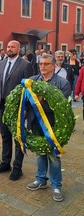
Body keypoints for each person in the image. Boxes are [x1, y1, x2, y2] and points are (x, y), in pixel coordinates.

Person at [26, 53, 71, 202]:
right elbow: (26, 100)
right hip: (35, 123)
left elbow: (61, 107)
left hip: (53, 125)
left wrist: (42, 100)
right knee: (40, 152)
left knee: (53, 156)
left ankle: (56, 185)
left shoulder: (62, 83)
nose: (43, 67)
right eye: (41, 64)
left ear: (53, 66)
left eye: (46, 64)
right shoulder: (32, 81)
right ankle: (40, 179)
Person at [0, 40, 33, 180]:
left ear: (18, 49)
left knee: (18, 138)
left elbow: (29, 89)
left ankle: (17, 167)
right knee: (5, 136)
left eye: (12, 47)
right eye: (8, 47)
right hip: (3, 106)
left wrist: (26, 108)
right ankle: (5, 163)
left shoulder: (26, 65)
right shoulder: (1, 63)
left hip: (18, 108)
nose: (9, 49)